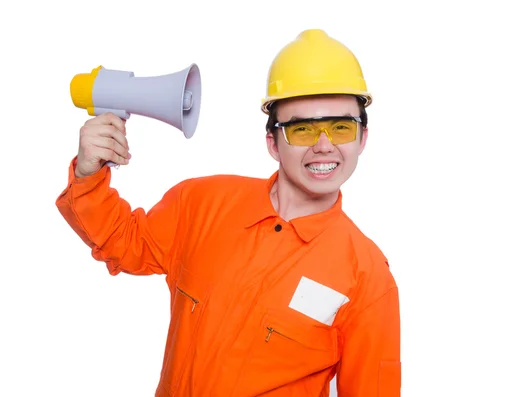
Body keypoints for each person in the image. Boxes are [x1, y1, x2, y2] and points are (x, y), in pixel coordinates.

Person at [56, 29, 401, 397]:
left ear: (362, 138)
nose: (323, 146)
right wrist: (89, 174)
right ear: (273, 142)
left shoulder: (367, 278)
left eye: (341, 127)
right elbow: (121, 242)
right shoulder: (202, 203)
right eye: (302, 129)